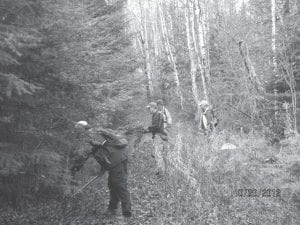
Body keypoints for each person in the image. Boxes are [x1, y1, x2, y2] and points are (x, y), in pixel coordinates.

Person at [70, 121, 132, 218]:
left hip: (116, 160)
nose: (78, 133)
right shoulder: (95, 132)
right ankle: (112, 209)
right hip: (117, 159)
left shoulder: (92, 135)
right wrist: (103, 169)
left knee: (119, 184)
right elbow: (103, 152)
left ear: (82, 129)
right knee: (112, 184)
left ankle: (126, 211)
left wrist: (75, 168)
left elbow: (87, 154)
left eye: (78, 131)